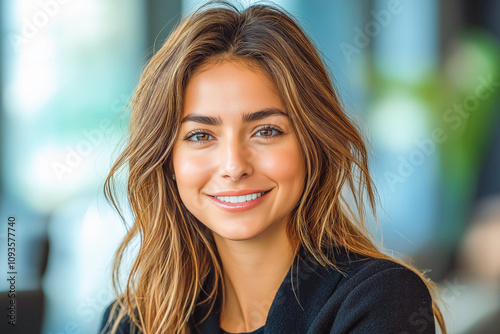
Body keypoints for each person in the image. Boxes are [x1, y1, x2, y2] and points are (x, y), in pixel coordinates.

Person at [99, 1, 447, 333]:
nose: (234, 166)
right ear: (167, 159)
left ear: (312, 145)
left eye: (266, 131)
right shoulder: (132, 321)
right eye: (201, 135)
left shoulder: (381, 301)